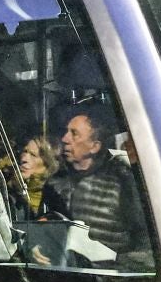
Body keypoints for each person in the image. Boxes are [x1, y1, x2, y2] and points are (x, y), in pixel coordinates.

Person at [40, 108, 149, 268]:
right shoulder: (54, 184)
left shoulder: (122, 180)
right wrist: (38, 246)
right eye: (66, 132)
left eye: (74, 134)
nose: (65, 139)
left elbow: (146, 242)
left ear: (94, 146)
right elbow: (42, 228)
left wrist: (115, 263)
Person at [15, 136, 57, 216]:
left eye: (33, 155)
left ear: (46, 164)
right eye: (24, 151)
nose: (24, 159)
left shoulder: (55, 196)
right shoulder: (10, 191)